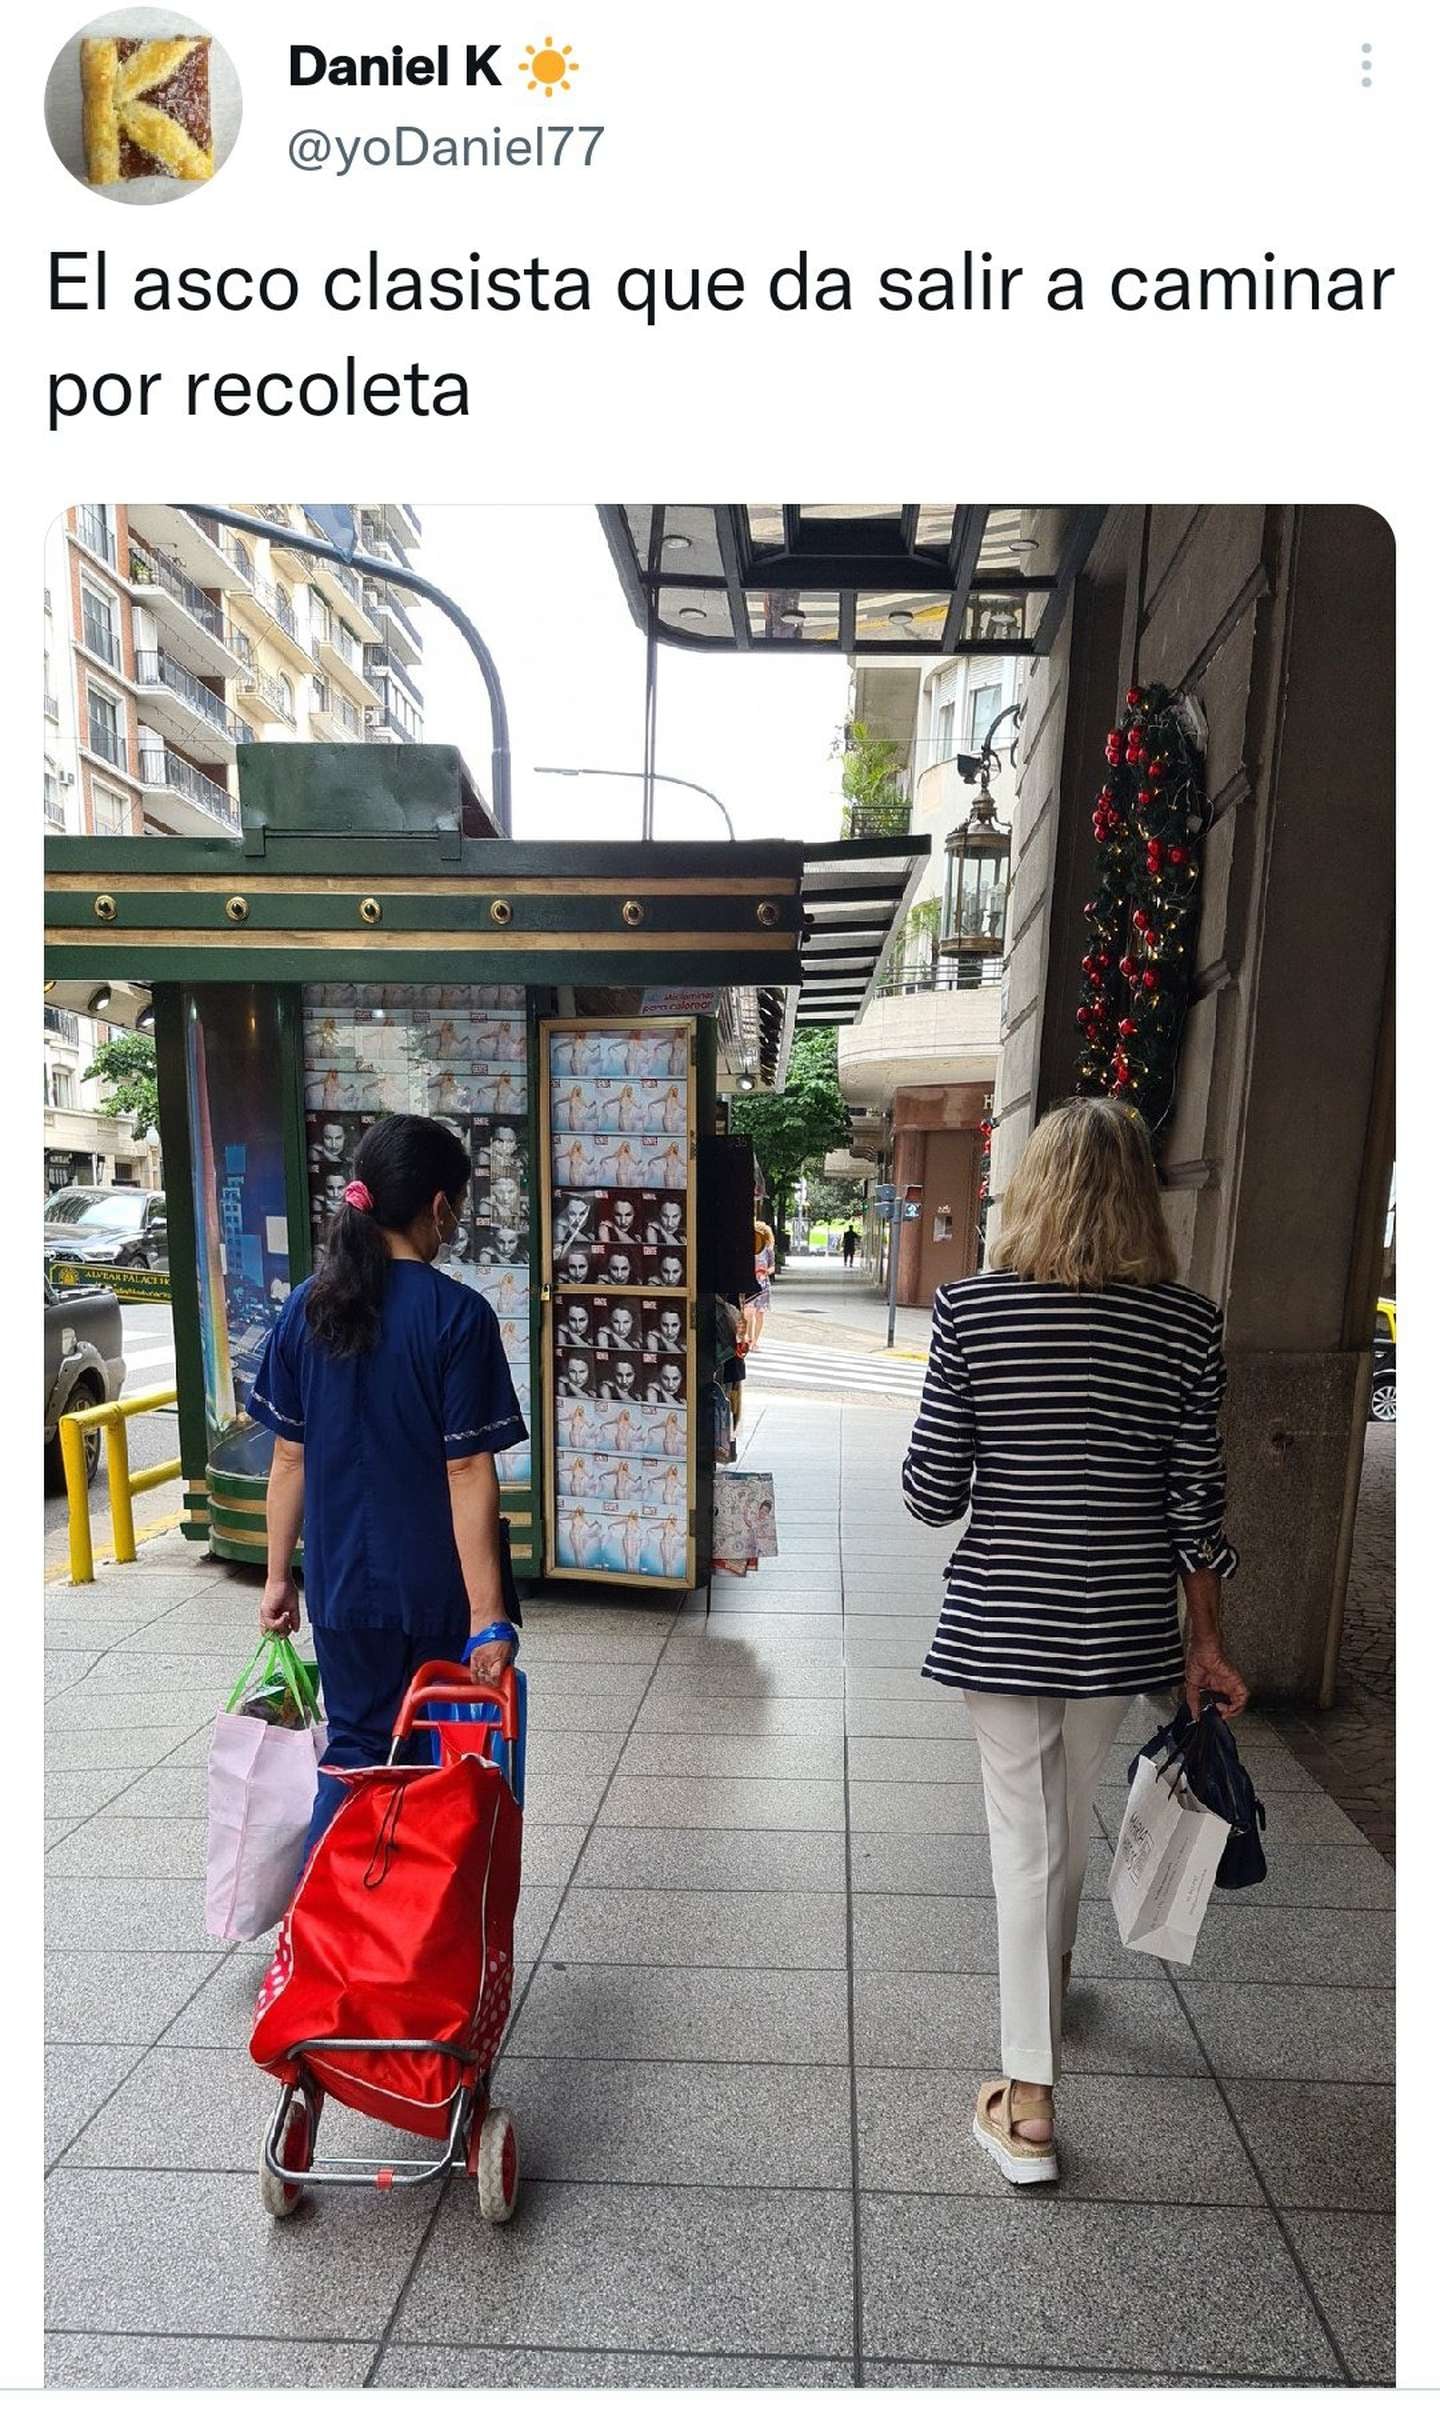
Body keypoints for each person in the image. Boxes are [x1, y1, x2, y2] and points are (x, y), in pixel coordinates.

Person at [901, 1098, 1248, 2188]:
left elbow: (928, 1492)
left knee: (1024, 1833)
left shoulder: (972, 1310)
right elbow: (1199, 1510)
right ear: (1142, 1196)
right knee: (1064, 1813)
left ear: (1031, 1188)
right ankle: (1044, 1993)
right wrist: (1208, 1643)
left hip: (1004, 1617)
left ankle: (1031, 2097)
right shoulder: (1186, 1325)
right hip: (1119, 1625)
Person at [248, 1114, 527, 1858]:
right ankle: (413, 1938)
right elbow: (467, 1470)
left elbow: (289, 1460)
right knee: (442, 1761)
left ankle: (323, 1933)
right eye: (459, 1207)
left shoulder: (307, 1307)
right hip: (434, 1593)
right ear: (439, 1207)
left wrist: (278, 1578)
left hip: (341, 1590)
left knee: (352, 1755)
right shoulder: (457, 1317)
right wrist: (488, 1617)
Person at [746, 1219, 775, 1347]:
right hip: (750, 1282)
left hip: (763, 1284)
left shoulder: (768, 1250)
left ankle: (755, 1340)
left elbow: (772, 1267)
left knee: (760, 1313)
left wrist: (766, 1271)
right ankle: (749, 1338)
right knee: (749, 1312)